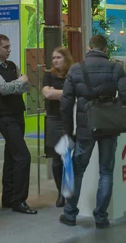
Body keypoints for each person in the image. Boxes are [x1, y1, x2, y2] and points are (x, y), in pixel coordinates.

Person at [59, 34, 126, 230]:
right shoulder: (116, 68)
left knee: (77, 171)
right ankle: (101, 217)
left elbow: (65, 105)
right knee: (106, 172)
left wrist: (68, 131)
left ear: (88, 47)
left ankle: (70, 214)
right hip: (109, 126)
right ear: (105, 49)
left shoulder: (76, 69)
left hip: (85, 129)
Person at [0, 34, 37, 215]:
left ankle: (8, 198)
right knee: (23, 156)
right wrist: (18, 83)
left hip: (18, 114)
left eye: (9, 47)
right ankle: (19, 200)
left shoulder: (12, 66)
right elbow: (4, 89)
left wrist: (16, 85)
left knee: (11, 157)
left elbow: (26, 87)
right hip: (5, 116)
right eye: (6, 47)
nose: (9, 50)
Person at [42, 46, 74, 208]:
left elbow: (75, 94)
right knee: (56, 161)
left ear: (66, 59)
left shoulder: (73, 75)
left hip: (70, 120)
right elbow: (47, 94)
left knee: (69, 158)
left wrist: (57, 92)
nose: (54, 61)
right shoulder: (48, 75)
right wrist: (65, 93)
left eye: (58, 58)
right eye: (53, 58)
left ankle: (71, 192)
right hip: (54, 120)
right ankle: (60, 193)